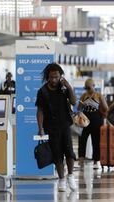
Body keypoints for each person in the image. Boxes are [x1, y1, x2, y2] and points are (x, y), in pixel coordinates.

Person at [35, 63, 77, 192]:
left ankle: (70, 176)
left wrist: (69, 86)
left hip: (65, 125)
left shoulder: (64, 88)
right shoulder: (42, 91)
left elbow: (74, 102)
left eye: (57, 77)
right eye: (52, 77)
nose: (54, 80)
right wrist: (40, 127)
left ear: (60, 76)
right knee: (57, 155)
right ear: (48, 77)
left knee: (69, 153)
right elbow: (40, 111)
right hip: (51, 127)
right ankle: (62, 180)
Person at [77, 78, 108, 169]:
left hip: (96, 119)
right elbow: (79, 108)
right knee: (82, 140)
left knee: (96, 140)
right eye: (86, 88)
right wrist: (81, 104)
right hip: (85, 119)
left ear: (94, 86)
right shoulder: (83, 95)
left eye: (89, 88)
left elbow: (106, 108)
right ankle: (81, 160)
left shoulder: (99, 95)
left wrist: (104, 119)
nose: (88, 90)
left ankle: (96, 161)